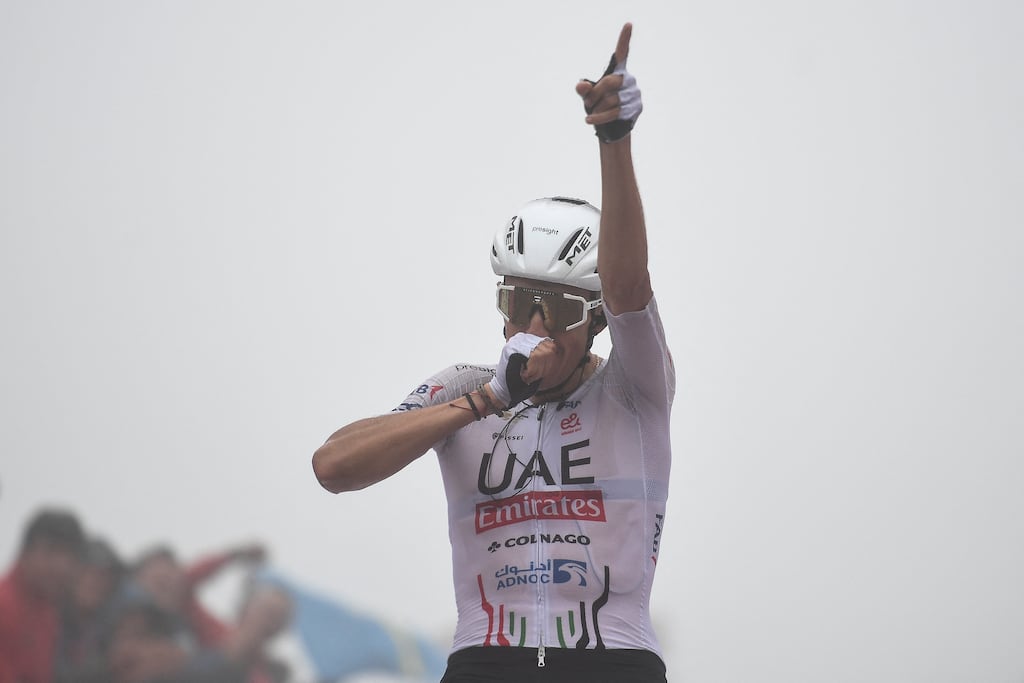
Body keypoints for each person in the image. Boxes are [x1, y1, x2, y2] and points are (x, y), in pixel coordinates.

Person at [312, 22, 674, 683]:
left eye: (559, 309)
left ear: (594, 321)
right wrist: (481, 402)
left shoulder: (633, 387)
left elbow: (629, 286)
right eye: (516, 303)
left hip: (611, 658)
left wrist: (614, 141)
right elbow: (334, 465)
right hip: (486, 657)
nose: (531, 326)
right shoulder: (465, 385)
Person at [0, 507, 86, 683]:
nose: (62, 567)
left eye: (70, 556)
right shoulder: (4, 605)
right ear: (25, 552)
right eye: (51, 552)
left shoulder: (50, 612)